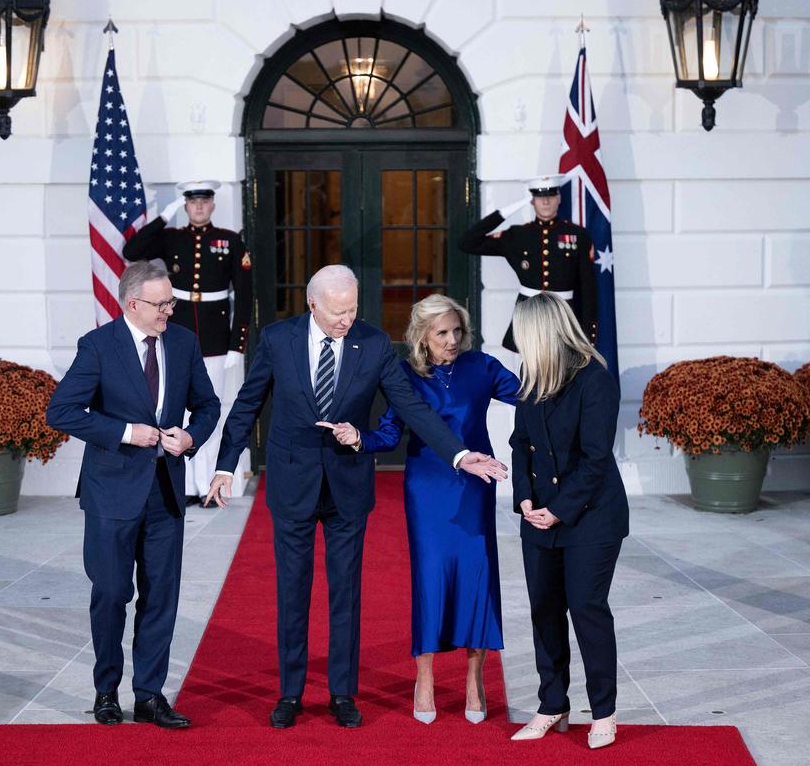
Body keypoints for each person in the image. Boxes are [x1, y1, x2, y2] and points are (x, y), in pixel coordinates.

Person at [205, 265, 507, 731]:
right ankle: (290, 694)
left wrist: (461, 454)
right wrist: (225, 466)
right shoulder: (278, 339)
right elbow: (247, 404)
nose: (347, 319)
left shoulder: (374, 345)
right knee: (293, 592)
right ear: (313, 305)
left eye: (352, 309)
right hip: (292, 483)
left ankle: (342, 694)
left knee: (345, 593)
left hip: (347, 486)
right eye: (337, 312)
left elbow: (413, 409)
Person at [46, 260, 220, 729]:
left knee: (161, 597)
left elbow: (208, 405)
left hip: (166, 493)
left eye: (171, 302)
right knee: (110, 593)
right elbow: (61, 411)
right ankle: (106, 691)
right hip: (112, 493)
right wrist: (125, 432)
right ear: (133, 304)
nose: (170, 310)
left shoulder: (183, 343)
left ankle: (150, 695)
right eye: (162, 303)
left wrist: (190, 438)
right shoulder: (99, 346)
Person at [339, 294, 518, 725]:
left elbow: (534, 398)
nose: (453, 340)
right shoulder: (404, 376)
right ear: (421, 336)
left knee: (477, 576)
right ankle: (425, 678)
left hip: (475, 487)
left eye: (457, 330)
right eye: (442, 333)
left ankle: (475, 678)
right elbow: (387, 434)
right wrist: (358, 438)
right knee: (431, 578)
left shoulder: (483, 368)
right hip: (427, 489)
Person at [507, 292, 628, 750]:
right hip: (537, 516)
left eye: (522, 332)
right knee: (544, 611)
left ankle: (604, 712)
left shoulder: (593, 380)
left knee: (586, 609)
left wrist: (557, 509)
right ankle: (552, 703)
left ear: (541, 332)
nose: (517, 341)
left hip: (589, 517)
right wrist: (523, 500)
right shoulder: (531, 373)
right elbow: (520, 443)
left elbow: (596, 460)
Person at [124, 179, 253, 503]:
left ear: (212, 204)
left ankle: (205, 484)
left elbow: (245, 292)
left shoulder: (229, 240)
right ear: (185, 205)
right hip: (175, 330)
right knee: (174, 409)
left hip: (214, 336)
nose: (198, 207)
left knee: (209, 410)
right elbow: (132, 251)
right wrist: (164, 216)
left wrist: (237, 344)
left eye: (204, 201)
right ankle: (180, 486)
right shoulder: (171, 238)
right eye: (191, 202)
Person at [458, 174, 597, 353]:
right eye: (539, 196)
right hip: (527, 315)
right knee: (525, 371)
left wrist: (587, 333)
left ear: (559, 198)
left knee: (564, 372)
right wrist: (503, 213)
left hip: (565, 316)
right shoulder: (517, 235)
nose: (545, 202)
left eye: (551, 196)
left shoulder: (578, 235)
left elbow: (588, 288)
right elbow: (467, 242)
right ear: (532, 201)